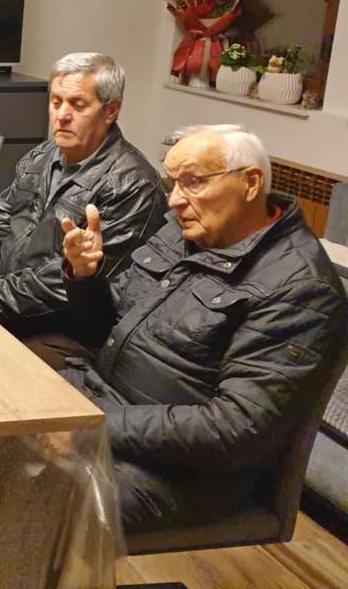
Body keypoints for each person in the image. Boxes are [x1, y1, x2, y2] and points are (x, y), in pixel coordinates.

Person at [57, 124, 346, 532]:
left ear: (250, 183)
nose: (174, 200)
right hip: (102, 403)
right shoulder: (183, 230)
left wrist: (92, 425)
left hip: (181, 473)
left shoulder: (300, 286)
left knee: (12, 491)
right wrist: (86, 278)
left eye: (192, 182)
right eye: (173, 182)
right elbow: (103, 331)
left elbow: (235, 429)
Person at [0, 52, 166, 365]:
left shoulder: (133, 184)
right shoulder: (43, 154)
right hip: (3, 304)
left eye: (78, 105)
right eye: (56, 102)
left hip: (65, 331)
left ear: (111, 110)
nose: (62, 115)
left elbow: (69, 281)